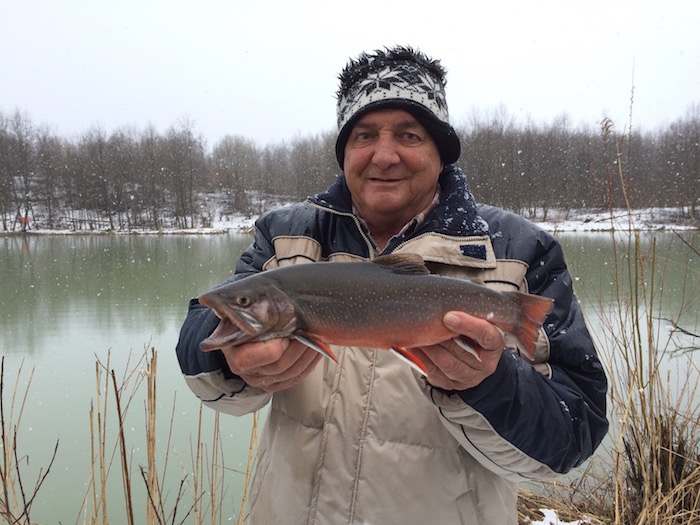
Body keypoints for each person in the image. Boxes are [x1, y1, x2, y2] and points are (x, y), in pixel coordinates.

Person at [176, 46, 608, 524]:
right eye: (364, 135)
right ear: (345, 152)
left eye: (409, 134)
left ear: (439, 152)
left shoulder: (521, 249)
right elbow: (203, 322)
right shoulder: (285, 233)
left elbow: (575, 434)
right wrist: (228, 360)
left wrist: (491, 383)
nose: (384, 154)